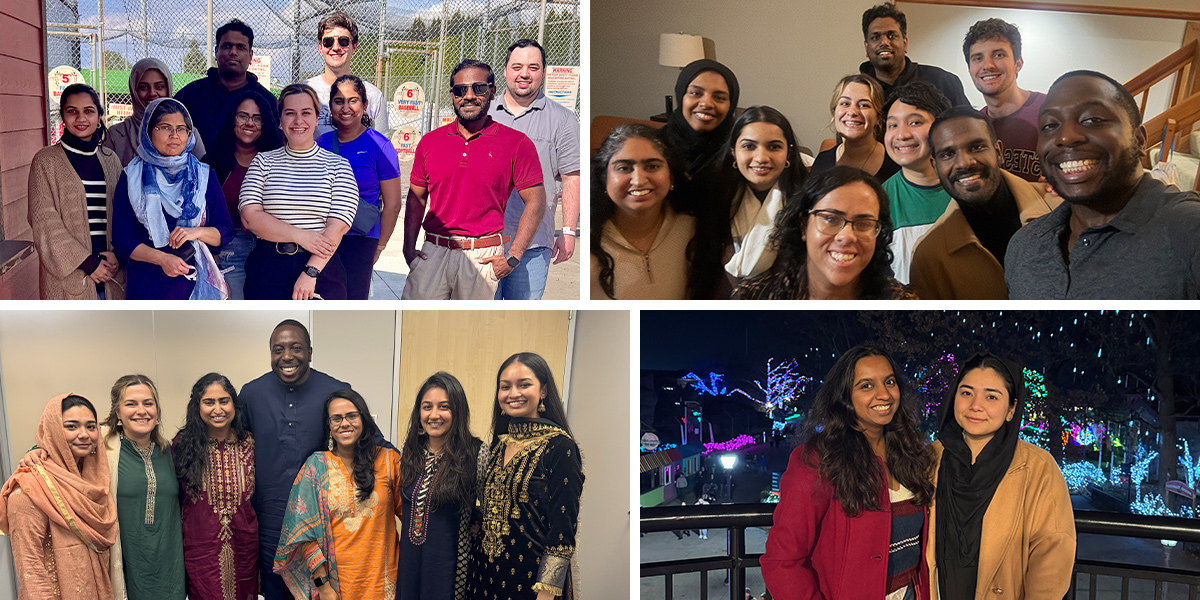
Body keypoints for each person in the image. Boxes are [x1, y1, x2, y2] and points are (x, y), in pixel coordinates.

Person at [1005, 70, 1200, 299]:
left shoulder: (1188, 230)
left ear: (1139, 140)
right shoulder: (1024, 245)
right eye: (1050, 125)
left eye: (1092, 120)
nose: (1066, 137)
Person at [761, 345, 934, 600]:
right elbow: (781, 560)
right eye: (866, 386)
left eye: (889, 382)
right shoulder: (819, 460)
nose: (884, 394)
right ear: (844, 397)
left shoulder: (910, 453)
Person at [238, 320, 392, 600]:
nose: (287, 356)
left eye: (295, 348)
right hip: (271, 522)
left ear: (310, 352)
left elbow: (374, 441)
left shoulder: (334, 390)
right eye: (278, 349)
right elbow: (234, 445)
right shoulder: (251, 393)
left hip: (325, 525)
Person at [928, 353, 1076, 598]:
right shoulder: (929, 458)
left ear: (1011, 409)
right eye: (966, 393)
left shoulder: (1037, 467)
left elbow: (1053, 551)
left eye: (991, 397)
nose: (976, 405)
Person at [401, 59, 546, 300]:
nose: (468, 96)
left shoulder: (516, 143)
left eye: (478, 88)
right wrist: (408, 248)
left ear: (492, 92)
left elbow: (536, 201)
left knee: (469, 331)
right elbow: (416, 198)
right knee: (417, 324)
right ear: (452, 96)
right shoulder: (430, 142)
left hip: (482, 256)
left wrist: (514, 255)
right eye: (460, 90)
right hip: (433, 253)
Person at [467, 352, 584, 600]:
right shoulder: (498, 446)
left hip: (531, 584)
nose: (513, 393)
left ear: (543, 391)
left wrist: (546, 593)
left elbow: (562, 533)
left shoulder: (560, 448)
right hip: (483, 579)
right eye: (505, 387)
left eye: (524, 384)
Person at [911, 107, 1059, 299]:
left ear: (999, 152)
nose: (964, 163)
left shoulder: (1062, 206)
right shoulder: (929, 255)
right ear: (935, 167)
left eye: (976, 147)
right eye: (947, 154)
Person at [274, 389, 403, 600]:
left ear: (364, 418)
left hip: (383, 585)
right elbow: (303, 535)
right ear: (329, 427)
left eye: (352, 415)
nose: (345, 423)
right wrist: (323, 586)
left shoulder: (389, 462)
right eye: (337, 418)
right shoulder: (316, 466)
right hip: (335, 587)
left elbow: (412, 518)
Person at [239, 83, 357, 300]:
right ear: (280, 120)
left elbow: (337, 225)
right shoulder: (263, 162)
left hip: (322, 268)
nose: (298, 121)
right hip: (268, 268)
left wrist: (311, 272)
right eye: (290, 113)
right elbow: (250, 218)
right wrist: (301, 236)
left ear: (316, 118)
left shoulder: (339, 166)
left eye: (306, 113)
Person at [111, 97, 233, 300]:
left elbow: (225, 231)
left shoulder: (203, 176)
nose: (174, 135)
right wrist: (162, 259)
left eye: (182, 129)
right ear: (149, 132)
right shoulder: (131, 176)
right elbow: (122, 239)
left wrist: (195, 232)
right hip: (148, 284)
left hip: (195, 283)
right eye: (165, 127)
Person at [488, 39, 581, 300]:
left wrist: (568, 231)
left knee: (522, 322)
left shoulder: (562, 119)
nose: (524, 74)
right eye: (517, 67)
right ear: (505, 70)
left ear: (543, 72)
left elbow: (572, 176)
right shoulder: (485, 115)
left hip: (534, 245)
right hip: (486, 241)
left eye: (533, 67)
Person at [0, 394, 118, 600]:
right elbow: (30, 568)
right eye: (71, 426)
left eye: (91, 427)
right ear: (53, 430)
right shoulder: (29, 487)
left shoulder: (94, 484)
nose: (84, 434)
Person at [734, 166, 914, 300]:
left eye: (864, 223)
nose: (847, 236)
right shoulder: (752, 297)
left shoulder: (901, 301)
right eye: (830, 219)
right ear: (803, 225)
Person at [28, 83, 125, 300]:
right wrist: (89, 264)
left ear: (100, 115)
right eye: (72, 111)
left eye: (88, 111)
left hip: (112, 273)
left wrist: (118, 255)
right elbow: (44, 222)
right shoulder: (46, 161)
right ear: (63, 115)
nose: (80, 118)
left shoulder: (111, 160)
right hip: (72, 277)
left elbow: (124, 213)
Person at [397, 372, 488, 600]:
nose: (434, 415)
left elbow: (493, 510)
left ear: (457, 411)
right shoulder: (408, 451)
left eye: (444, 407)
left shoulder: (476, 453)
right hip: (409, 567)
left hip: (452, 569)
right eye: (427, 407)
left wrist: (476, 521)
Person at [172, 373, 258, 600]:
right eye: (209, 402)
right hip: (201, 551)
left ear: (234, 405)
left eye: (224, 401)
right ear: (197, 407)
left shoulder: (249, 443)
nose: (217, 409)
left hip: (245, 549)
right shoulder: (181, 446)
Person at [316, 74, 403, 299]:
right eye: (339, 101)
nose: (346, 107)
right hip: (322, 237)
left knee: (352, 303)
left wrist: (379, 247)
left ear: (364, 106)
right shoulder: (320, 144)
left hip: (361, 240)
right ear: (330, 106)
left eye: (353, 100)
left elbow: (393, 204)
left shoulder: (379, 145)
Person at [102, 375, 186, 600]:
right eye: (131, 404)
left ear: (157, 411)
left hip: (170, 569)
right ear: (117, 413)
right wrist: (36, 451)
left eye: (148, 403)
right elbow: (61, 444)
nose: (142, 410)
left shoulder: (170, 451)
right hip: (126, 566)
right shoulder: (102, 449)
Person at [590, 124, 697, 300]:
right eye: (624, 168)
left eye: (652, 166)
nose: (638, 181)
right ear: (604, 178)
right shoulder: (590, 239)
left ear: (671, 176)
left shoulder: (692, 229)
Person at [203, 88, 284, 300]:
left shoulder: (277, 160)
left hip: (271, 246)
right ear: (232, 119)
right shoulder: (213, 163)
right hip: (229, 249)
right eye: (243, 116)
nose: (250, 123)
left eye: (257, 118)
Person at [717, 106, 808, 282]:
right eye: (749, 146)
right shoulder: (716, 199)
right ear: (733, 152)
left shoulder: (809, 203)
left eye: (774, 147)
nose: (761, 158)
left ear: (788, 152)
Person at [879, 81, 952, 284]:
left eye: (915, 122)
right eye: (892, 125)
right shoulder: (879, 201)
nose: (901, 135)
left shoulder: (968, 189)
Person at [176, 19, 278, 151]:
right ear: (216, 51)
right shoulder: (190, 95)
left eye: (240, 47)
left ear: (250, 55)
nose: (233, 52)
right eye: (227, 46)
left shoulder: (267, 100)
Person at [964, 18, 1045, 182]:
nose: (988, 65)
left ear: (1018, 64)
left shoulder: (1050, 109)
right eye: (978, 58)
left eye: (998, 55)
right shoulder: (975, 126)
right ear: (970, 69)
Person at [859, 3, 970, 107]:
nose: (884, 42)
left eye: (891, 36)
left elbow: (967, 124)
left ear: (905, 43)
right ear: (866, 47)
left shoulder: (943, 81)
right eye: (875, 37)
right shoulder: (858, 90)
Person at [105, 58, 207, 165]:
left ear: (168, 88)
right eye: (143, 87)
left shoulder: (188, 133)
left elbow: (203, 172)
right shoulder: (116, 135)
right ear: (134, 90)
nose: (152, 93)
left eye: (159, 87)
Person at [306, 11, 389, 138]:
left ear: (354, 46)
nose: (335, 47)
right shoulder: (305, 92)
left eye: (343, 41)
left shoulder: (373, 96)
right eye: (328, 42)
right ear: (320, 47)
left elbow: (382, 148)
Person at [660, 59, 740, 188]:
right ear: (681, 96)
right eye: (696, 93)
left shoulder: (740, 153)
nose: (706, 103)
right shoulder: (654, 145)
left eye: (719, 98)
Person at [809, 75, 900, 182]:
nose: (852, 112)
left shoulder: (898, 163)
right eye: (845, 103)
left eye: (864, 105)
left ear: (878, 117)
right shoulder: (822, 161)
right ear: (834, 112)